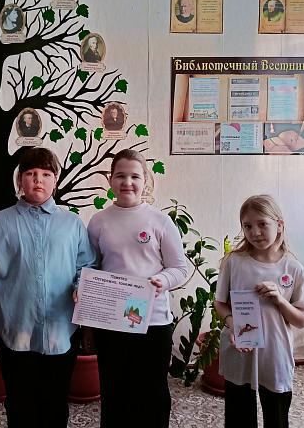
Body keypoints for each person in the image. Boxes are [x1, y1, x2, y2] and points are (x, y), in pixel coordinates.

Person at [0, 147, 97, 428]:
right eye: (30, 173)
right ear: (20, 180)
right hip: (15, 333)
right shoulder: (0, 223)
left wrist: (81, 286)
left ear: (55, 180)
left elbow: (86, 265)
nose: (38, 179)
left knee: (55, 405)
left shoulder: (72, 224)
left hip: (61, 334)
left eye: (45, 174)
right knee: (19, 405)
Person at [87, 149, 187, 428]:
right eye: (120, 176)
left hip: (153, 322)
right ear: (110, 180)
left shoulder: (160, 221)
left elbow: (179, 268)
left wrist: (162, 281)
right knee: (114, 392)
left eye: (135, 176)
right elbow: (91, 267)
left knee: (153, 392)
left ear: (146, 181)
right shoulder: (99, 221)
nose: (127, 182)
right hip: (112, 323)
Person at [214, 194, 304, 428]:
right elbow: (220, 303)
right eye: (247, 226)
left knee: (276, 417)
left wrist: (280, 300)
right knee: (238, 417)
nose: (255, 232)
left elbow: (301, 320)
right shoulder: (233, 262)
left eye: (262, 224)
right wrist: (233, 325)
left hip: (275, 354)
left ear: (279, 225)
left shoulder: (294, 269)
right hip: (239, 349)